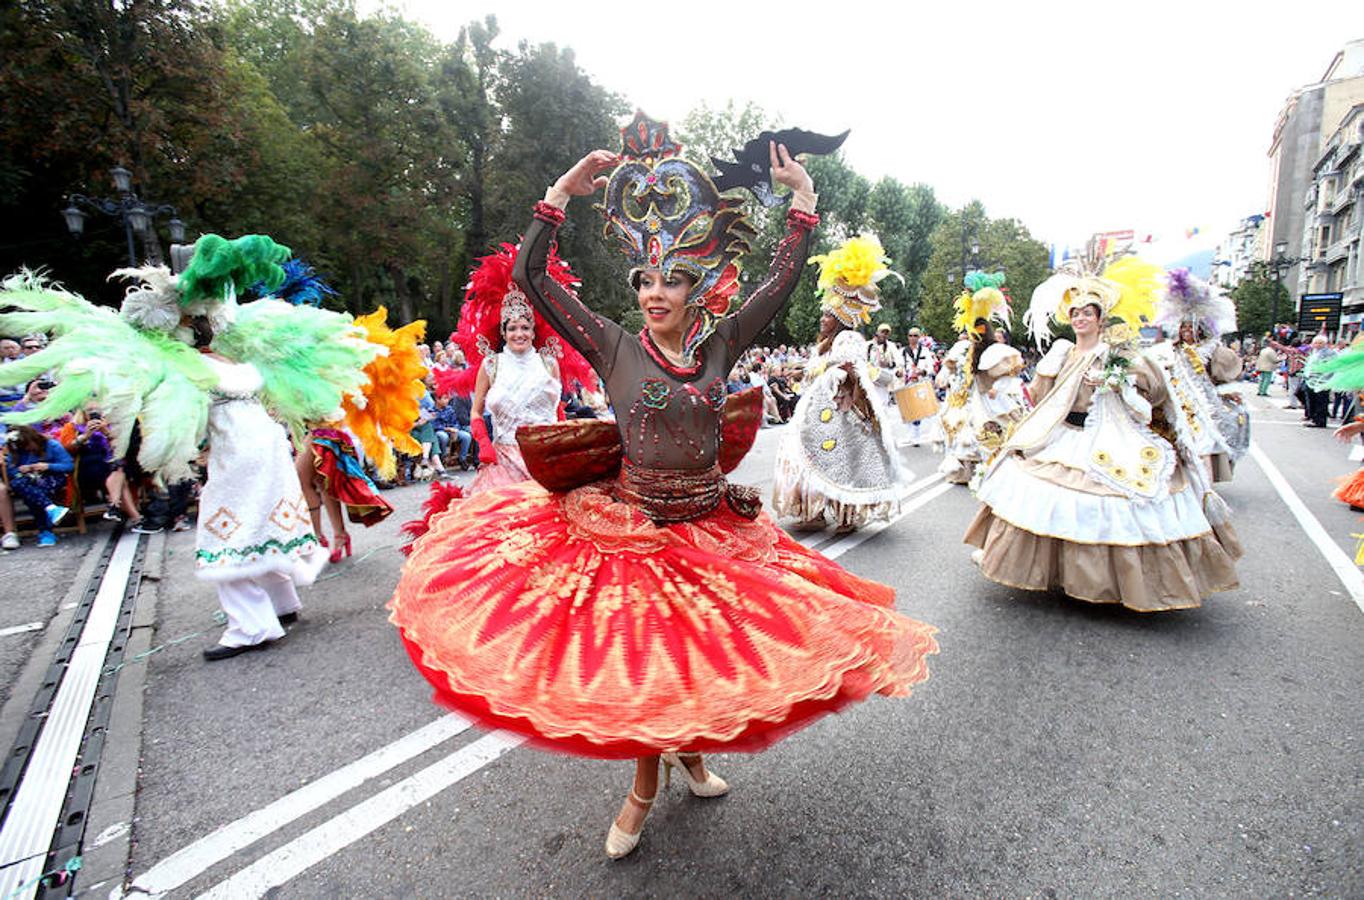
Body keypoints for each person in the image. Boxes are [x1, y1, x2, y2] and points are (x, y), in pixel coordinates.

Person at [388, 117, 937, 860]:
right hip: (635, 534)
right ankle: (644, 790)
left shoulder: (720, 345)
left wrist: (804, 200)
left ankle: (693, 755)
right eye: (644, 279)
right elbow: (531, 282)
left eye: (670, 278)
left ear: (695, 285)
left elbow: (779, 286)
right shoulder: (612, 345)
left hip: (713, 525)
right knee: (651, 669)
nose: (654, 291)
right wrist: (558, 197)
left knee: (709, 663)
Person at [964, 256, 1241, 611]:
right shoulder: (1062, 351)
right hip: (1063, 433)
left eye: (1087, 313)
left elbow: (1153, 391)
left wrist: (1119, 383)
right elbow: (1042, 395)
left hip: (1106, 435)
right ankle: (1052, 572)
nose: (1080, 318)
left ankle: (1109, 583)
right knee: (1038, 492)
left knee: (1113, 506)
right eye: (1075, 313)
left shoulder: (1117, 353)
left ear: (1100, 319)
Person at [772, 234, 914, 532]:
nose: (822, 319)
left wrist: (827, 369)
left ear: (839, 318)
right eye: (823, 314)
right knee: (808, 460)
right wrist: (804, 372)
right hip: (816, 413)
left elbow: (849, 369)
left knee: (841, 465)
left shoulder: (849, 338)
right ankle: (815, 513)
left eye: (827, 315)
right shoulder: (823, 344)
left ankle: (846, 516)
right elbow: (822, 369)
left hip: (841, 412)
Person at [937, 271, 1023, 485]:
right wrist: (947, 374)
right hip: (966, 396)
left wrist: (998, 388)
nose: (976, 335)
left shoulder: (994, 351)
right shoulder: (963, 348)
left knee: (986, 433)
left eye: (980, 331)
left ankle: (990, 471)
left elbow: (1009, 372)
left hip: (988, 398)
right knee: (960, 431)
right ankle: (964, 472)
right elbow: (950, 368)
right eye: (973, 330)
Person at [0, 424, 72, 548]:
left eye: (27, 445)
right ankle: (51, 509)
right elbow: (11, 470)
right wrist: (24, 470)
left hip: (52, 477)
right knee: (19, 484)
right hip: (29, 479)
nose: (26, 449)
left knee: (32, 493)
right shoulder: (17, 451)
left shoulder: (52, 445)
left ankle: (45, 531)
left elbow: (68, 465)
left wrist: (48, 466)